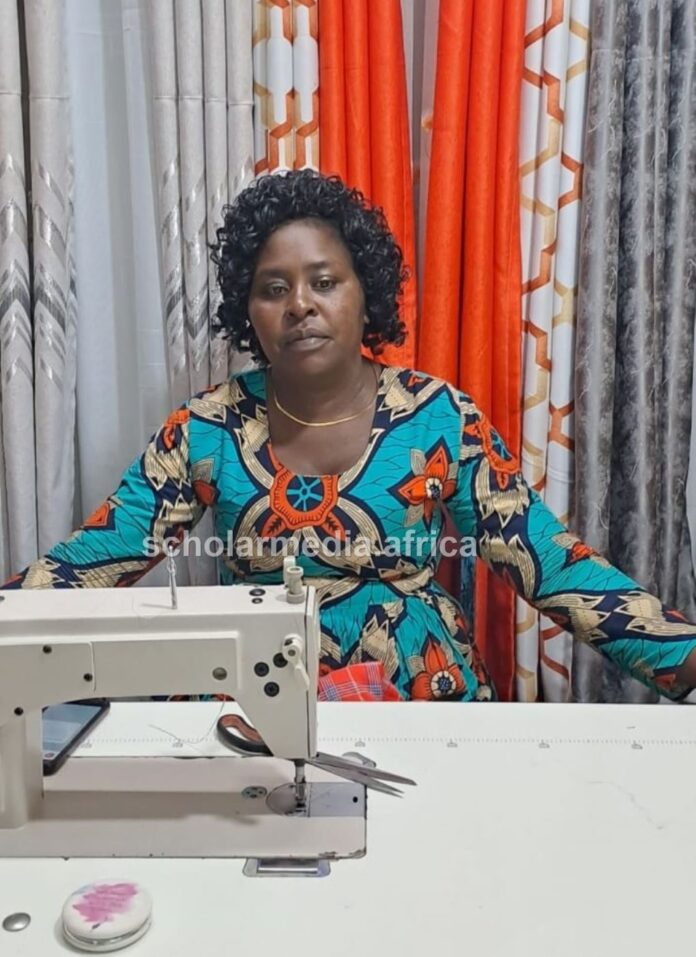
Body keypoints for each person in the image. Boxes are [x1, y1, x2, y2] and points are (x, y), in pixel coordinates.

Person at [4, 169, 696, 703]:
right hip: (258, 715)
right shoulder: (206, 428)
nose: (299, 303)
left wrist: (681, 652)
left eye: (324, 281)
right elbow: (98, 555)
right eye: (273, 288)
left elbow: (549, 560)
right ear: (249, 311)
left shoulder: (439, 419)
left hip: (425, 704)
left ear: (366, 294)